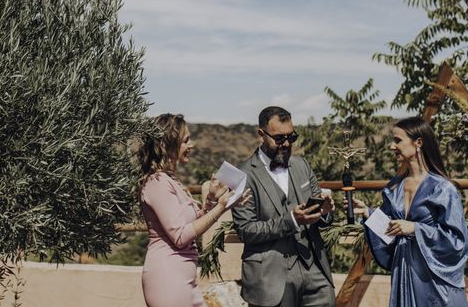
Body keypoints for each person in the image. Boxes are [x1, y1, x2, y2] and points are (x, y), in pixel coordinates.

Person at [349, 116, 468, 307]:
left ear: (418, 143)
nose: (391, 146)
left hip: (433, 278)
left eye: (398, 140)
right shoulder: (395, 188)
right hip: (403, 269)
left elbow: (457, 241)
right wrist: (368, 213)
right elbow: (390, 229)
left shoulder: (443, 189)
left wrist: (415, 228)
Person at [138, 113, 251, 307]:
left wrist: (212, 200)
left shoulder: (169, 180)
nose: (192, 145)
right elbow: (181, 236)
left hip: (183, 278)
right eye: (186, 141)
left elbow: (191, 223)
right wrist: (223, 206)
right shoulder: (156, 183)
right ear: (168, 145)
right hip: (168, 278)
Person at [231, 106, 336, 307]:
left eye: (291, 137)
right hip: (271, 280)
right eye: (279, 138)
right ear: (261, 134)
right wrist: (293, 220)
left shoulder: (302, 165)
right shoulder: (243, 175)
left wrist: (325, 213)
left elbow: (320, 215)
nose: (286, 144)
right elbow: (246, 230)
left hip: (316, 273)